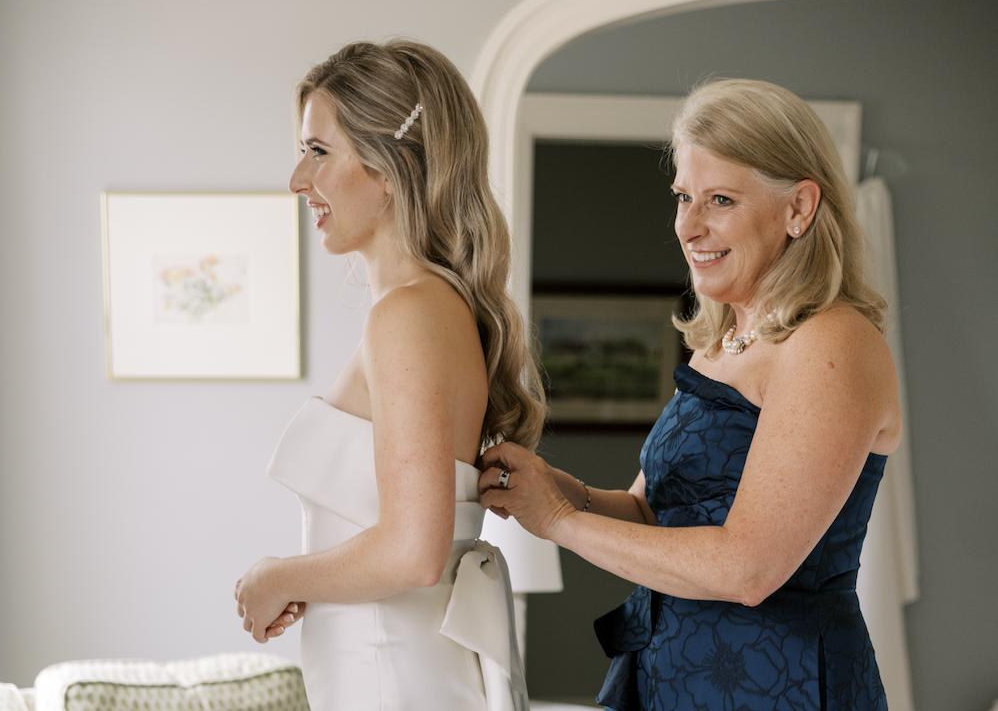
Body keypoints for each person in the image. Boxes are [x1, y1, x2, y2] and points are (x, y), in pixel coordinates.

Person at [478, 78, 902, 711]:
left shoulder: (833, 342)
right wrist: (550, 486)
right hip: (671, 679)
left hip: (780, 687)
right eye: (683, 198)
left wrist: (560, 522)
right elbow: (654, 517)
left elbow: (749, 569)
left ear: (800, 208)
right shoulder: (722, 342)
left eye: (720, 200)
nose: (689, 227)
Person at [233, 40, 544, 711]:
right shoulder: (422, 310)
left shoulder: (410, 314)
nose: (296, 179)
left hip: (395, 682)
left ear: (391, 165)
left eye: (318, 151)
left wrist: (276, 577)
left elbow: (413, 552)